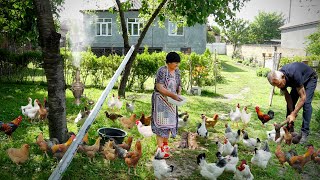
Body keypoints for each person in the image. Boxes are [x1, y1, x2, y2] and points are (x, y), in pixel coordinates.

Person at [267, 62, 318, 143]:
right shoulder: (279, 78)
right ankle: (290, 129)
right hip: (296, 82)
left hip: (309, 78)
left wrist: (294, 113)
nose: (279, 87)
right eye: (277, 86)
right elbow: (288, 98)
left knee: (306, 103)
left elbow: (303, 97)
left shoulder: (294, 74)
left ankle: (304, 133)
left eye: (279, 84)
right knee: (291, 102)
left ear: (283, 77)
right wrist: (292, 113)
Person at [151, 52, 182, 158]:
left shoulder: (177, 72)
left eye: (178, 63)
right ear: (168, 62)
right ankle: (160, 148)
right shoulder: (162, 71)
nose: (177, 65)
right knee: (161, 124)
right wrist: (172, 95)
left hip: (172, 102)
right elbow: (159, 87)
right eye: (175, 63)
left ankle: (165, 145)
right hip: (160, 101)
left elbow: (179, 85)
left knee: (169, 124)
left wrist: (178, 94)